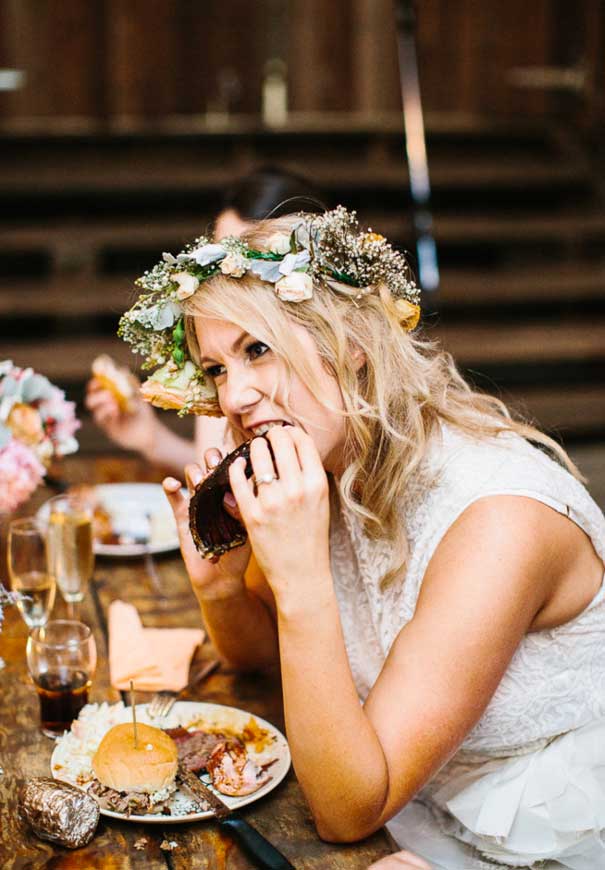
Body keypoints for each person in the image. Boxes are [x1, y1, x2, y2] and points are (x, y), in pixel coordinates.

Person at [119, 206, 605, 870]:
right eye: (216, 369)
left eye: (256, 350)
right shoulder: (328, 461)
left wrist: (301, 584)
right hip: (400, 809)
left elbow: (346, 812)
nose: (233, 397)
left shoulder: (499, 520)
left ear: (349, 340)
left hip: (533, 844)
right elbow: (257, 655)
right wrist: (223, 589)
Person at [85, 165, 323, 475]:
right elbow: (226, 469)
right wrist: (151, 439)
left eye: (253, 255)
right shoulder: (227, 365)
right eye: (218, 259)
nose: (228, 276)